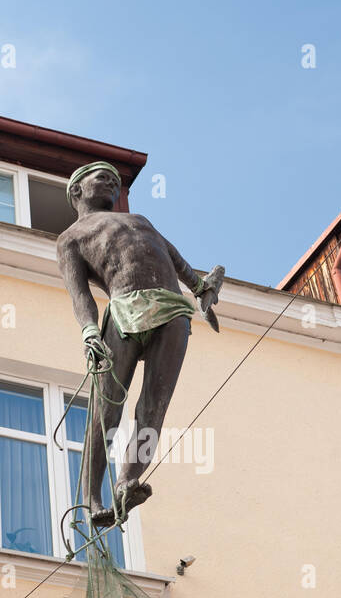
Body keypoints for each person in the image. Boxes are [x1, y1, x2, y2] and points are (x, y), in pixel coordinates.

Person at [57, 161, 224, 527]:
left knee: (154, 407)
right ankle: (90, 497)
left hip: (172, 309)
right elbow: (79, 294)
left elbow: (172, 255)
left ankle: (127, 481)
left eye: (116, 182)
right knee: (107, 409)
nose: (112, 184)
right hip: (123, 311)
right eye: (102, 177)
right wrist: (88, 330)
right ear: (77, 191)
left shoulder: (141, 220)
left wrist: (199, 287)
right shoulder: (71, 238)